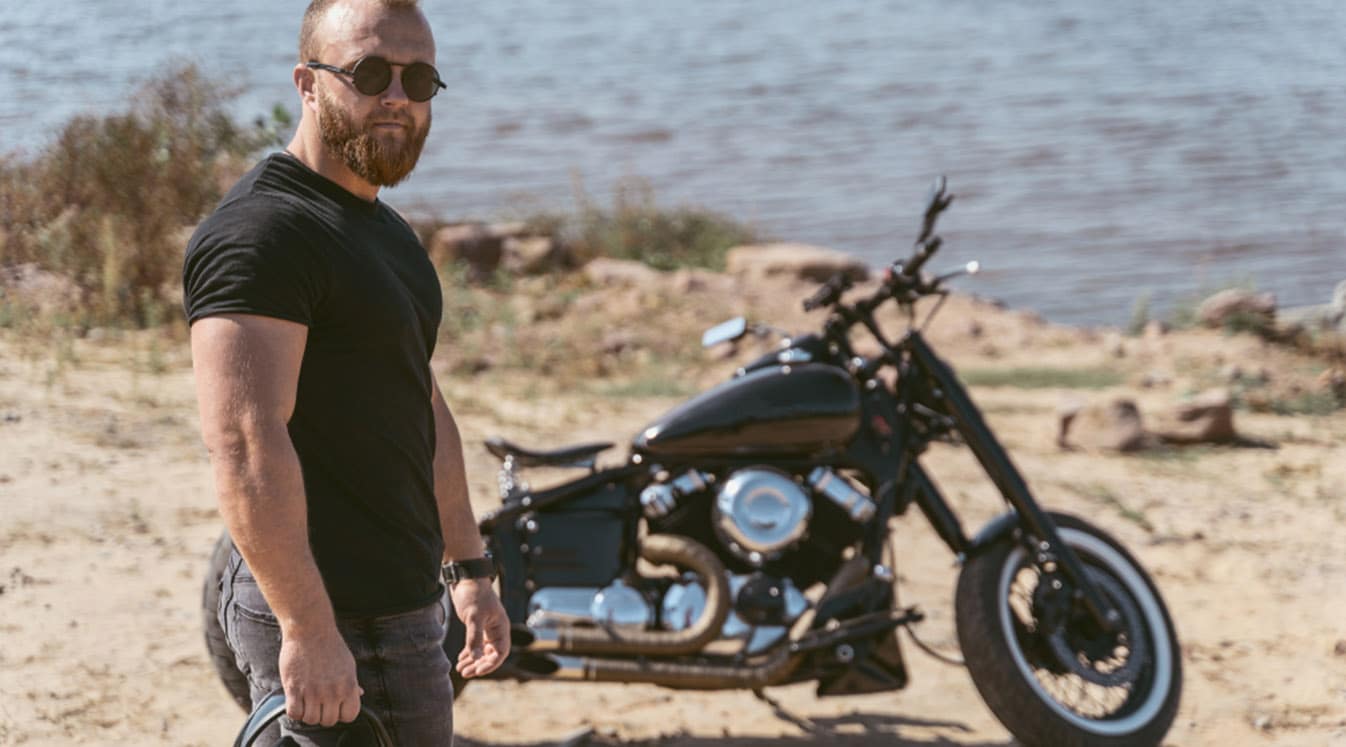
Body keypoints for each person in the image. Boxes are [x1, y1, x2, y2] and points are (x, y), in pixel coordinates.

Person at [182, 0, 509, 743]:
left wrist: (471, 569)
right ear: (307, 82)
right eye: (368, 72)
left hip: (405, 607)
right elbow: (243, 443)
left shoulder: (386, 232)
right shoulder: (262, 235)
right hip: (331, 610)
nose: (397, 96)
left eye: (419, 78)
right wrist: (308, 628)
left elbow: (421, 407)